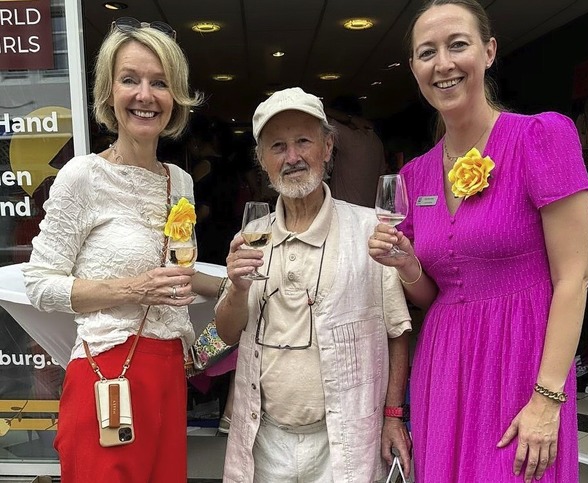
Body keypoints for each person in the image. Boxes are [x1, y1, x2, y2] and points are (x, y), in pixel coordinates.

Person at [368, 1, 588, 482]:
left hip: (521, 366)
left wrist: (547, 398)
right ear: (414, 69)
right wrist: (407, 265)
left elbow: (575, 276)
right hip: (445, 370)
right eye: (427, 52)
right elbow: (436, 293)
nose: (443, 64)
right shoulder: (414, 174)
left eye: (458, 45)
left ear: (488, 52)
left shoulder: (541, 138)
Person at [22, 18, 224, 482]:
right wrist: (133, 288)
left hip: (170, 371)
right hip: (108, 370)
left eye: (159, 83)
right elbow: (40, 284)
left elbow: (177, 273)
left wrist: (236, 280)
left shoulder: (181, 181)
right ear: (109, 93)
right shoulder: (83, 176)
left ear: (174, 97)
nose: (145, 95)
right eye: (130, 80)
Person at [215, 87, 413, 482]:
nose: (292, 157)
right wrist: (236, 287)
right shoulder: (252, 234)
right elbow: (225, 331)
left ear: (327, 147)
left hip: (343, 442)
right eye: (278, 146)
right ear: (263, 161)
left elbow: (397, 331)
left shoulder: (368, 231)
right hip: (265, 441)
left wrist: (393, 416)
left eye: (303, 141)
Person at [325, 95, 387, 207]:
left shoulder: (350, 138)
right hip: (370, 211)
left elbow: (320, 115)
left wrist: (350, 118)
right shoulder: (376, 140)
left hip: (347, 213)